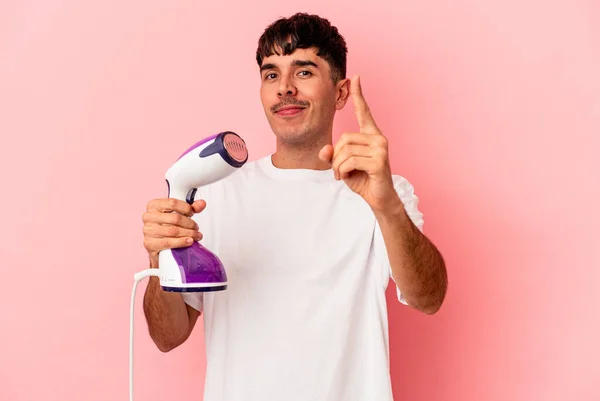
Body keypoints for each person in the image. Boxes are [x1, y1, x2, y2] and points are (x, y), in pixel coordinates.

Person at [141, 12, 447, 401]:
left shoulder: (384, 192)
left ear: (340, 94)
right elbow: (168, 337)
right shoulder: (214, 196)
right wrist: (159, 256)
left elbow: (428, 298)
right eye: (271, 75)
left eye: (303, 72)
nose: (284, 88)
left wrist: (386, 206)